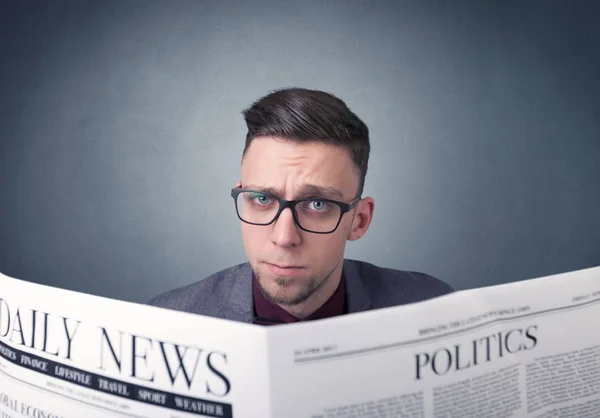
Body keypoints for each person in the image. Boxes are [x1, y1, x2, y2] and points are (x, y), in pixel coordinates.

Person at [148, 88, 453, 324]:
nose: (284, 237)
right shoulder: (163, 323)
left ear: (359, 220)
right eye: (263, 199)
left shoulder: (437, 310)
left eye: (317, 204)